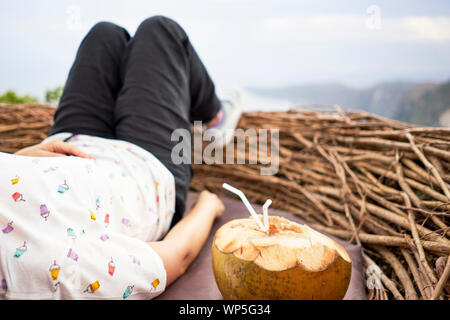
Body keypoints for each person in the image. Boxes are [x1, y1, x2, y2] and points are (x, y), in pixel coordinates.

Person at [0, 15, 242, 299]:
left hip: (66, 145)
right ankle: (215, 117)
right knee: (160, 30)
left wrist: (21, 157)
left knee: (105, 35)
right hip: (143, 173)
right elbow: (174, 258)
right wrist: (208, 206)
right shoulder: (35, 271)